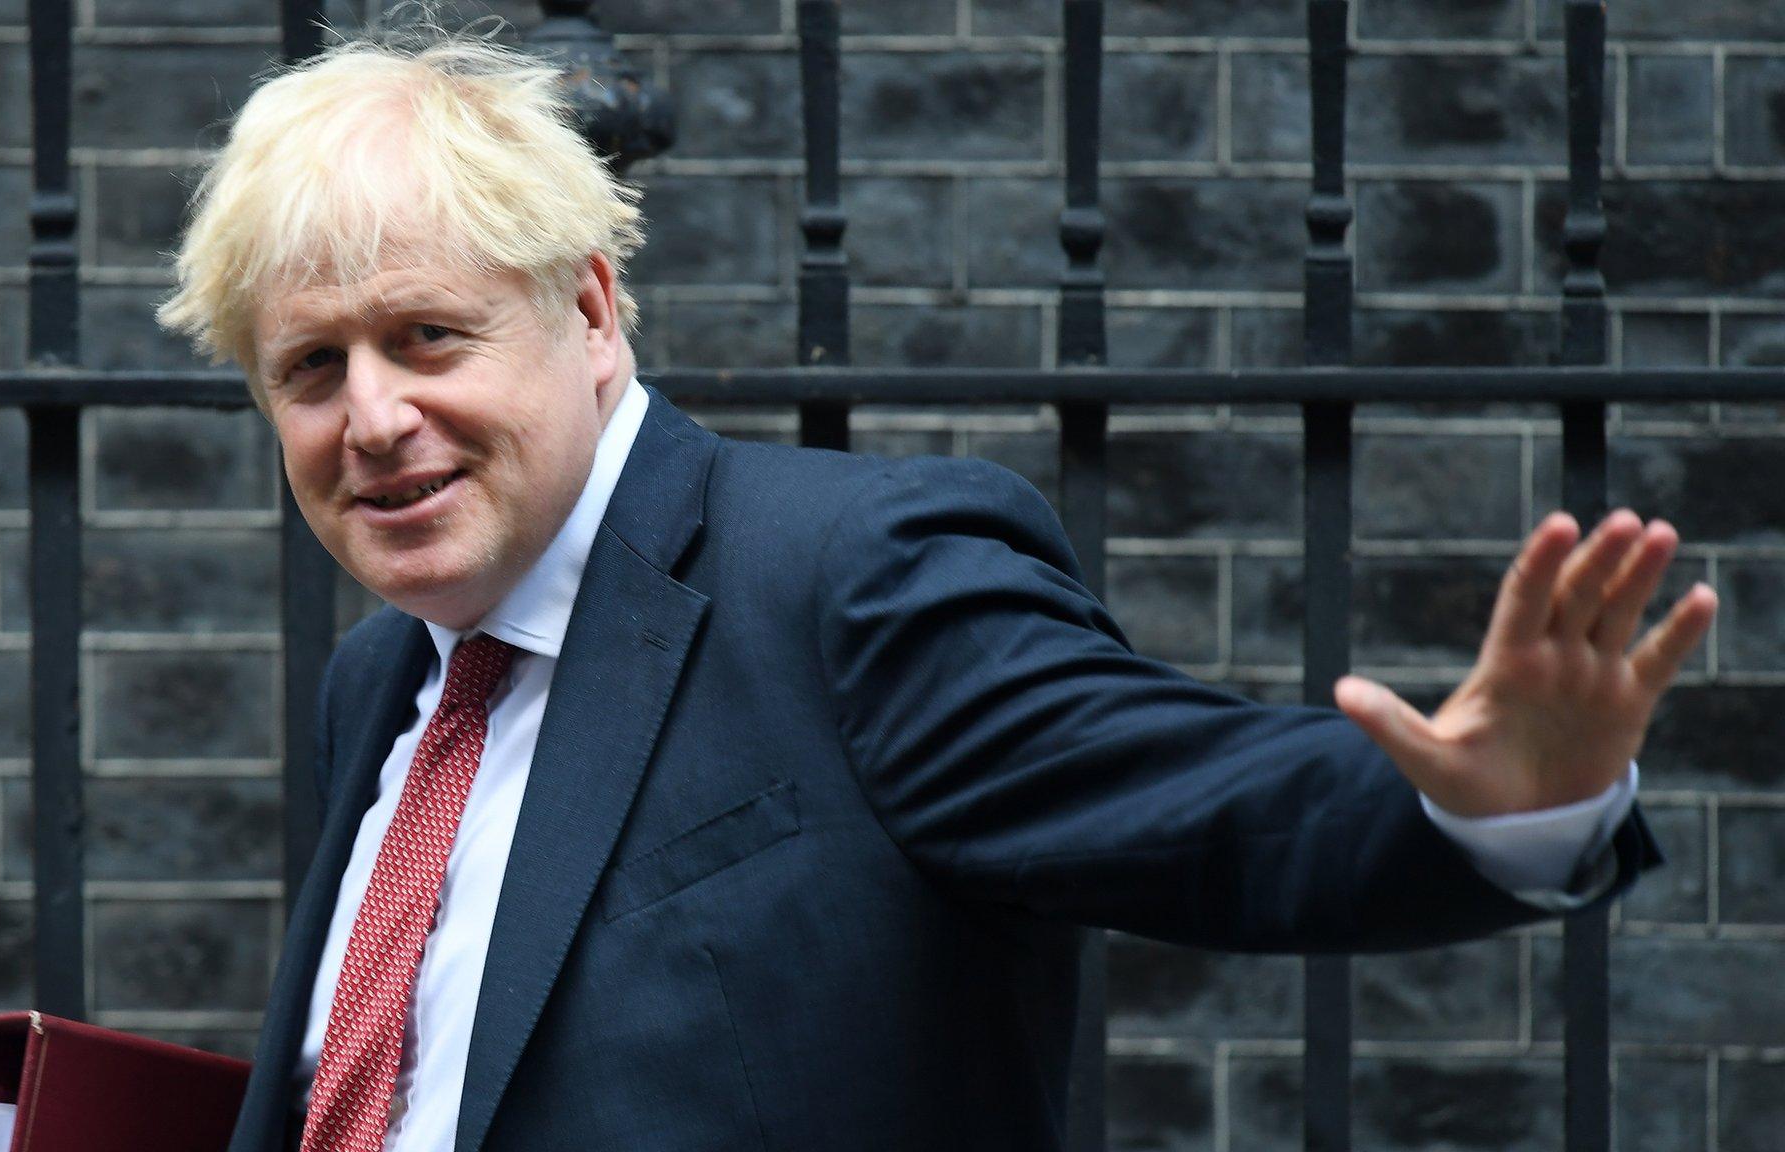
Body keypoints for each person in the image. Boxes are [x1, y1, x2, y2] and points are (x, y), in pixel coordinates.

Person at [156, 30, 1716, 1152]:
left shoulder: (847, 577)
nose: (370, 418)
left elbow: (1180, 797)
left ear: (590, 308)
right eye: (309, 367)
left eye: (427, 336)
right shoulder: (387, 683)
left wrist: (1489, 804)